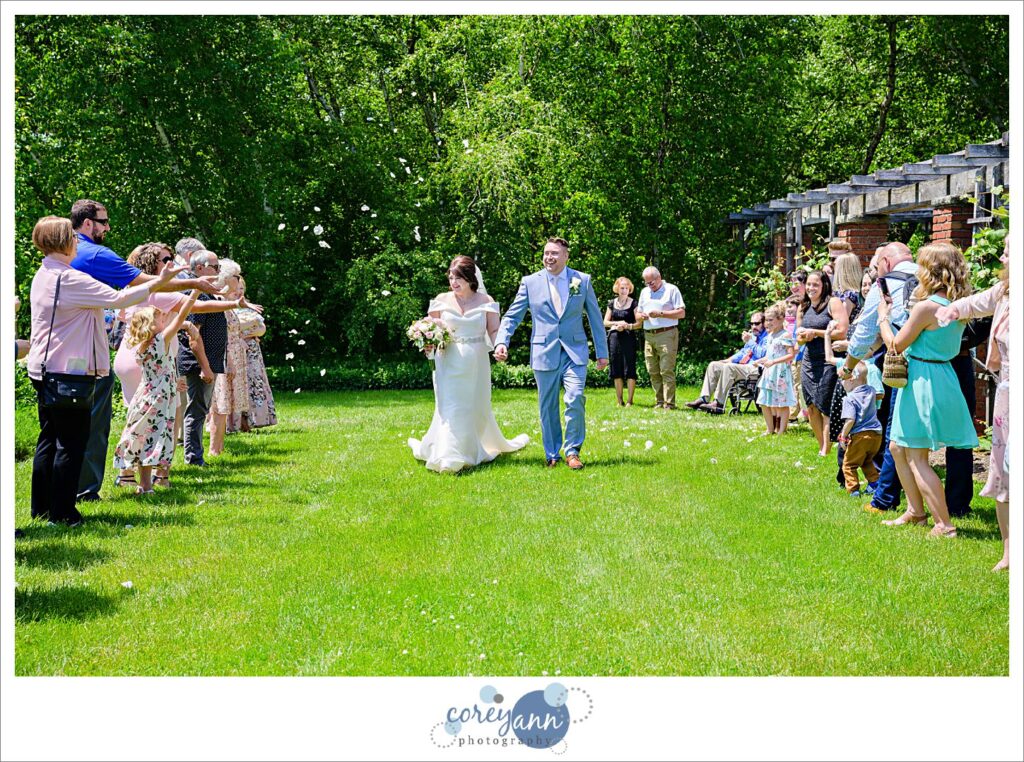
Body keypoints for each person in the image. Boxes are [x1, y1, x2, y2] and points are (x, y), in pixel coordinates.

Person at [25, 216, 178, 525]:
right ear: (67, 243)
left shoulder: (44, 273)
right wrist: (158, 282)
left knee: (49, 440)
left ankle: (41, 509)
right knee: (71, 443)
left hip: (43, 368)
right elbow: (120, 297)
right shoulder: (70, 279)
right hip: (69, 372)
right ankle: (64, 513)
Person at [68, 199, 218, 502]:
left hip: (96, 357)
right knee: (131, 425)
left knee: (127, 424)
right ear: (87, 224)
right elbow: (144, 287)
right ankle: (100, 486)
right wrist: (191, 284)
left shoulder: (64, 261)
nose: (108, 228)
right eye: (104, 222)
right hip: (98, 361)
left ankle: (105, 482)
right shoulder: (92, 253)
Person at [113, 243, 248, 487]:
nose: (171, 263)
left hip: (132, 357)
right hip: (154, 365)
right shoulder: (158, 291)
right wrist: (231, 302)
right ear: (152, 265)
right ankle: (156, 475)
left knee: (137, 420)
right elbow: (197, 306)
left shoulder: (135, 289)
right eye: (165, 260)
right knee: (162, 421)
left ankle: (129, 474)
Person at [877, 242, 978, 538]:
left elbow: (895, 345)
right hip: (942, 375)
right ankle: (915, 512)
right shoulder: (958, 305)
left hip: (922, 378)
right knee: (898, 447)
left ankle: (944, 525)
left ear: (931, 271)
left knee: (918, 457)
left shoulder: (927, 307)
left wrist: (884, 316)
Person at [495, 237, 608, 469]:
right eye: (547, 253)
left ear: (566, 256)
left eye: (555, 253)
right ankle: (552, 453)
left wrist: (602, 352)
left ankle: (573, 451)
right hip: (543, 351)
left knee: (575, 397)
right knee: (547, 406)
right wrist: (501, 341)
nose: (549, 257)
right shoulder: (530, 282)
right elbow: (512, 315)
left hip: (574, 352)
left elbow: (596, 318)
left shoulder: (582, 281)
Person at [410, 256, 529, 472]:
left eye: (459, 278)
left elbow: (493, 330)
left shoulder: (485, 301)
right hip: (447, 360)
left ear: (471, 279)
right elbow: (430, 328)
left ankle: (471, 448)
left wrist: (500, 346)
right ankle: (449, 454)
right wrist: (427, 342)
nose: (453, 282)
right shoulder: (441, 299)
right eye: (451, 277)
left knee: (473, 405)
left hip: (476, 362)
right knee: (451, 405)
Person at [938, 233, 1010, 570]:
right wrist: (952, 309)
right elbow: (977, 303)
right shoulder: (1005, 291)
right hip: (1006, 395)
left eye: (1008, 251)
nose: (1003, 258)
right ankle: (1010, 553)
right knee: (1003, 471)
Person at [112, 291, 199, 493]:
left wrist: (172, 382)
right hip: (157, 400)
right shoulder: (160, 340)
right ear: (152, 325)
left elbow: (158, 370)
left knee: (145, 436)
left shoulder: (143, 345)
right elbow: (181, 316)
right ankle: (146, 485)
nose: (165, 319)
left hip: (150, 394)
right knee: (153, 437)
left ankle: (143, 483)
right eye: (161, 318)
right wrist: (195, 292)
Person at [178, 249, 229, 467]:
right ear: (200, 268)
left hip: (208, 362)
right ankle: (194, 459)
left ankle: (195, 457)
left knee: (200, 409)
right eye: (215, 267)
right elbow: (193, 335)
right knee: (197, 411)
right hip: (199, 363)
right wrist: (205, 367)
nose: (218, 271)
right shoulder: (196, 292)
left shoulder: (203, 291)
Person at [796, 270, 848, 456]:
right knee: (811, 405)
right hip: (809, 360)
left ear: (824, 285)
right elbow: (799, 338)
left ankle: (826, 448)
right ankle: (821, 445)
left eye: (815, 284)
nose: (811, 288)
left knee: (825, 404)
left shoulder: (833, 303)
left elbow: (842, 331)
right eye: (808, 284)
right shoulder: (803, 307)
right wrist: (803, 336)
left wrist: (815, 333)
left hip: (828, 359)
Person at [685, 312, 767, 414]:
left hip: (755, 368)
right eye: (752, 324)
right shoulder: (753, 337)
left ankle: (718, 404)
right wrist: (724, 361)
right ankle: (704, 399)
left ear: (764, 323)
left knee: (729, 367)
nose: (754, 326)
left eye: (757, 323)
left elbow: (763, 354)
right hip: (742, 367)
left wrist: (750, 342)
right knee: (713, 365)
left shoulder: (767, 337)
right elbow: (742, 354)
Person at [207, 259, 250, 455]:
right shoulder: (217, 302)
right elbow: (219, 334)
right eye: (236, 276)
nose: (238, 280)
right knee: (220, 405)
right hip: (223, 357)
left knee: (225, 406)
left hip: (232, 356)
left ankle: (219, 448)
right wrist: (229, 362)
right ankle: (214, 450)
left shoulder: (226, 302)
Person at [635, 267, 686, 409]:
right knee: (652, 370)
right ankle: (659, 401)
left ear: (659, 277)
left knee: (666, 370)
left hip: (667, 334)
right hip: (649, 335)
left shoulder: (671, 289)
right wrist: (641, 316)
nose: (649, 285)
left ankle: (669, 404)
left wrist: (661, 313)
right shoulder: (645, 292)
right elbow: (638, 314)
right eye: (646, 283)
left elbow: (681, 313)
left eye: (651, 282)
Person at [233, 277, 277, 430]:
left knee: (254, 383)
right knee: (238, 385)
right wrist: (245, 331)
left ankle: (256, 419)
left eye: (242, 288)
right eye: (237, 288)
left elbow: (261, 329)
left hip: (252, 353)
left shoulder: (249, 307)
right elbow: (232, 329)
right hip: (236, 352)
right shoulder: (227, 308)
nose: (239, 291)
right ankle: (238, 422)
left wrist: (244, 331)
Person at [836, 361, 882, 497]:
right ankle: (874, 483)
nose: (841, 383)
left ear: (851, 379)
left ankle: (853, 490)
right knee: (867, 460)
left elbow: (850, 420)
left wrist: (843, 437)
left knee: (849, 464)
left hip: (860, 435)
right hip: (876, 434)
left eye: (842, 379)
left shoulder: (849, 398)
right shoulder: (872, 391)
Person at [754, 303, 796, 435]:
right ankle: (770, 429)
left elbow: (790, 354)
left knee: (782, 403)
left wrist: (773, 362)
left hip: (780, 373)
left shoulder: (785, 335)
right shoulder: (770, 336)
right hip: (770, 372)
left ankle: (781, 431)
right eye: (766, 320)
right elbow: (769, 355)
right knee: (764, 401)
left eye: (771, 320)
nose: (767, 323)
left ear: (781, 319)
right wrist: (761, 361)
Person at [603, 276, 640, 407]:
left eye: (626, 288)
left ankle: (630, 400)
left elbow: (639, 323)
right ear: (617, 289)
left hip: (628, 337)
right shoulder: (612, 303)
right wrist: (617, 323)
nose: (624, 290)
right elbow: (605, 322)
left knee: (629, 368)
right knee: (616, 368)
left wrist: (626, 326)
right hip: (614, 338)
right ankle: (619, 401)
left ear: (629, 289)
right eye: (622, 288)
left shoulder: (634, 303)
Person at [787, 271, 808, 422]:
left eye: (796, 283)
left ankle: (804, 412)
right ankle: (794, 412)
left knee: (801, 383)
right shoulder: (795, 303)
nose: (793, 287)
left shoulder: (807, 304)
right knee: (794, 382)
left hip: (804, 350)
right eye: (791, 283)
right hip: (795, 349)